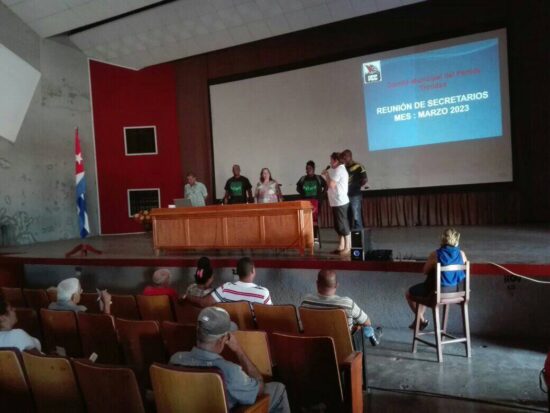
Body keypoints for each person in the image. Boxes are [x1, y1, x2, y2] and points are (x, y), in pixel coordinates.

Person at [170, 307, 290, 413]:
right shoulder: (229, 371)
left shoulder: (175, 359)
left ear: (198, 332)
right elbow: (260, 387)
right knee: (278, 388)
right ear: (223, 339)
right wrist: (239, 350)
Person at [405, 228, 468, 330]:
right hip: (456, 292)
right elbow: (464, 271)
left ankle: (421, 319)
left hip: (437, 294)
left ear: (443, 239)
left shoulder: (436, 254)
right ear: (457, 240)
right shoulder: (462, 254)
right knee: (424, 291)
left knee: (409, 293)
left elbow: (425, 271)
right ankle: (419, 320)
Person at [301, 269, 381, 346]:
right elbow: (367, 322)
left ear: (317, 283)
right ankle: (374, 334)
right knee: (365, 327)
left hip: (313, 348)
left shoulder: (306, 301)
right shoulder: (347, 304)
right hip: (343, 350)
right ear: (337, 285)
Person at [185, 257, 272, 307]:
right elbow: (269, 317)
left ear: (237, 272)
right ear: (253, 271)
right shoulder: (263, 293)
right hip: (255, 335)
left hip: (231, 333)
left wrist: (186, 296)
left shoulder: (225, 288)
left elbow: (203, 302)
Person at [321, 152, 351, 255]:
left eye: (331, 160)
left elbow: (331, 185)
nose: (330, 162)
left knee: (343, 224)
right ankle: (341, 246)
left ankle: (348, 247)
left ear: (336, 161)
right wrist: (326, 176)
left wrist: (326, 175)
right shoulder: (335, 170)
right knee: (338, 226)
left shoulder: (340, 170)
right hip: (335, 201)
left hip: (340, 201)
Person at [341, 149, 368, 230]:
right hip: (345, 196)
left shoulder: (358, 166)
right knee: (347, 216)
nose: (344, 160)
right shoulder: (343, 168)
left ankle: (359, 238)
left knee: (356, 216)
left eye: (345, 158)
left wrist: (357, 186)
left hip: (355, 195)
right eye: (343, 158)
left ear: (350, 156)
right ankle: (349, 237)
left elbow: (365, 179)